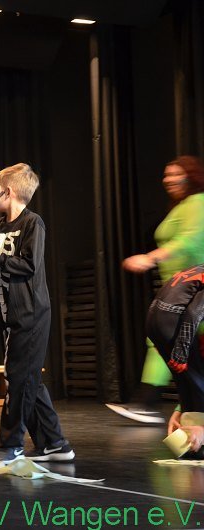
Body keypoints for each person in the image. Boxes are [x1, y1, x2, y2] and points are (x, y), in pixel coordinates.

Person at [0, 163, 74, 463]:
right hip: (7, 314)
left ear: (8, 192)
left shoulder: (32, 223)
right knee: (27, 379)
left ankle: (9, 446)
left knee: (17, 378)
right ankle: (55, 444)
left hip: (30, 313)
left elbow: (29, 265)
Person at [108, 156, 204, 424]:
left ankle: (151, 403)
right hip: (178, 291)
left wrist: (150, 258)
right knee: (165, 342)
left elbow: (189, 241)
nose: (168, 180)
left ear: (191, 176)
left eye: (176, 174)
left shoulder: (198, 203)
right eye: (166, 175)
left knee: (175, 342)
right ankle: (150, 403)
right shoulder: (181, 207)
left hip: (195, 289)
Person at [146, 263, 204, 458]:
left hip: (156, 318)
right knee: (197, 382)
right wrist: (181, 349)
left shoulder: (200, 267)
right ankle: (197, 443)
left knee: (188, 382)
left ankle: (184, 444)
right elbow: (193, 313)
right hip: (171, 319)